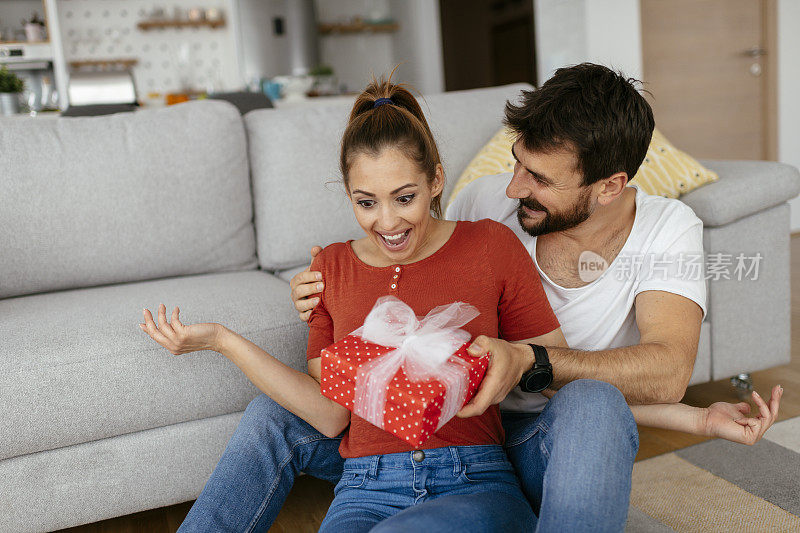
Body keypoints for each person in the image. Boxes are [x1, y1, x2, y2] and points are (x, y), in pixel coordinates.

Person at [141, 67, 782, 532]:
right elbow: (340, 396)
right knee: (268, 418)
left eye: (539, 179)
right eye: (517, 162)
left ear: (609, 186)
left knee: (591, 399)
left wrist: (525, 359)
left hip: (514, 445)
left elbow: (663, 371)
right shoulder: (485, 212)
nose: (511, 187)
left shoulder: (662, 230)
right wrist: (318, 289)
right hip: (381, 456)